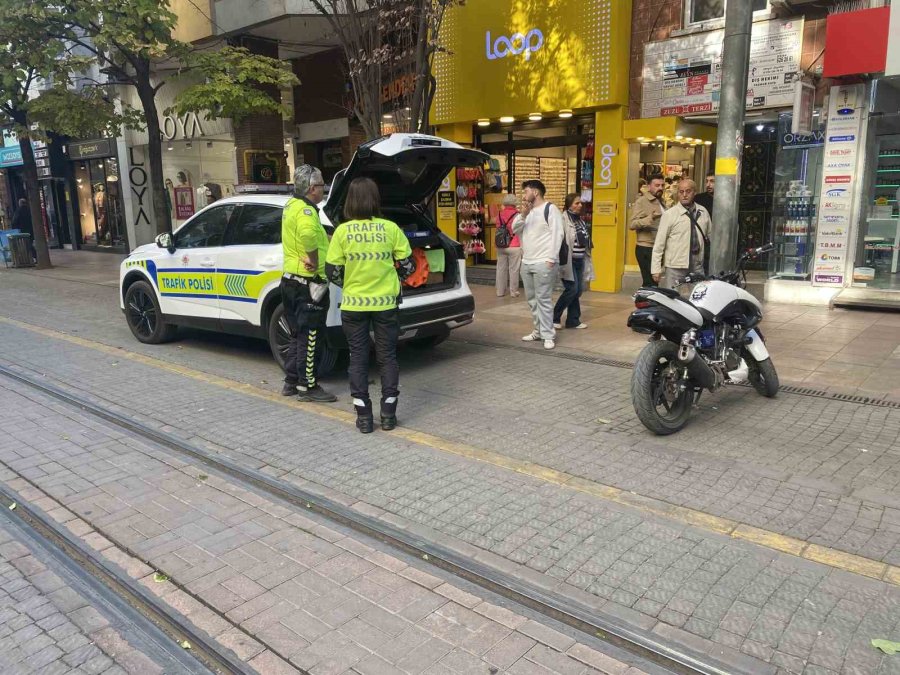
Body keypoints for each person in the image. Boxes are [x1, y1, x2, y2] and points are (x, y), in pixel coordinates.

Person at [325, 177, 416, 434]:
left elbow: (332, 271)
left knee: (358, 357)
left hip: (354, 305)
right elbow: (409, 265)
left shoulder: (342, 232)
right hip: (385, 303)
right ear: (375, 200)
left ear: (350, 201)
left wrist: (351, 282)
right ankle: (388, 414)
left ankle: (364, 417)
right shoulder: (390, 228)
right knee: (387, 356)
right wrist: (392, 278)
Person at [280, 164, 337, 403]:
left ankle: (291, 381)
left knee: (297, 334)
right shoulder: (306, 211)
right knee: (311, 336)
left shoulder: (291, 205)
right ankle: (308, 386)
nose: (324, 189)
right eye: (322, 185)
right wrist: (313, 260)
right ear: (312, 188)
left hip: (290, 281)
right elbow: (307, 235)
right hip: (308, 285)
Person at [512, 179, 564, 350]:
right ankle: (538, 331)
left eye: (526, 191)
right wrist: (523, 215)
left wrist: (551, 259)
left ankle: (548, 335)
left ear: (535, 192)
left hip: (543, 262)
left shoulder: (550, 209)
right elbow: (514, 229)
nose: (523, 195)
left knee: (543, 299)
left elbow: (558, 234)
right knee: (532, 300)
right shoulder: (527, 212)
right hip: (527, 261)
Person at [651, 178, 711, 289]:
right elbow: (659, 244)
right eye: (681, 192)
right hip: (675, 266)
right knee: (673, 296)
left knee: (698, 295)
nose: (684, 195)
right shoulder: (670, 214)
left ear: (694, 192)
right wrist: (656, 269)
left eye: (688, 191)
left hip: (697, 264)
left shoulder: (703, 212)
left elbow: (710, 236)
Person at [553, 193, 590, 330]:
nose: (580, 205)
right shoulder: (562, 219)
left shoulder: (580, 220)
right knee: (572, 289)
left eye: (580, 203)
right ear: (569, 205)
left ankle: (573, 320)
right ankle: (554, 317)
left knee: (578, 290)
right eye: (576, 203)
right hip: (568, 260)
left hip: (580, 260)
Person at [630, 173, 665, 287]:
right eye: (657, 185)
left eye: (662, 185)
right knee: (650, 282)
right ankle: (645, 298)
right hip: (646, 247)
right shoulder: (642, 201)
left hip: (658, 247)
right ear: (649, 186)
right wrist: (650, 218)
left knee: (654, 282)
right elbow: (632, 224)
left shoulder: (662, 201)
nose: (660, 188)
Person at [495, 193, 522, 297]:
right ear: (515, 203)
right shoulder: (518, 215)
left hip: (501, 245)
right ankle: (513, 291)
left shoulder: (499, 214)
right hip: (514, 245)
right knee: (514, 269)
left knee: (501, 269)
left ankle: (500, 291)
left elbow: (498, 227)